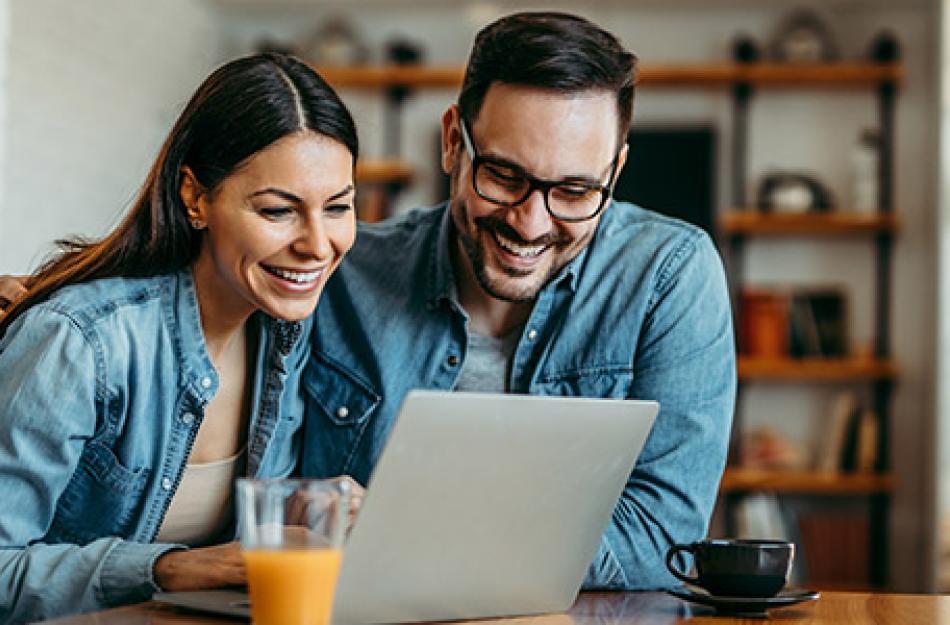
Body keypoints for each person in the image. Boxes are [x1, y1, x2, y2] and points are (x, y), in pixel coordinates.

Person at [298, 11, 735, 590]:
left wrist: (408, 535)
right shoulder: (341, 276)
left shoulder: (668, 275)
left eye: (575, 191)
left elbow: (663, 542)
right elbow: (278, 509)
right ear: (453, 141)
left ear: (616, 170)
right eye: (504, 176)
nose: (531, 224)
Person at [0, 53, 360, 622]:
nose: (318, 245)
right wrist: (168, 567)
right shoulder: (80, 343)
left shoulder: (285, 334)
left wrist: (301, 513)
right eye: (277, 211)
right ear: (196, 198)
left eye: (338, 207)